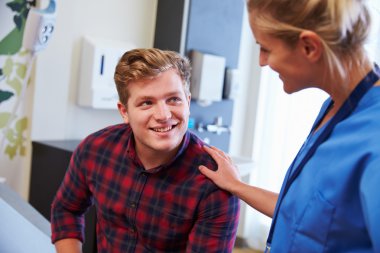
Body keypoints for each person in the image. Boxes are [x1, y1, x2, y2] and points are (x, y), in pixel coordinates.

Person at [199, 0, 380, 252]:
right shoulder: (334, 108)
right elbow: (304, 215)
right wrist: (236, 186)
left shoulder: (373, 139)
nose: (262, 62)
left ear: (309, 46)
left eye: (265, 48)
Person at [51, 48, 240, 253]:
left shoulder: (214, 183)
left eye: (173, 99)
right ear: (125, 112)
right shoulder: (95, 149)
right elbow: (66, 209)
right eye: (147, 103)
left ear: (187, 101)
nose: (163, 115)